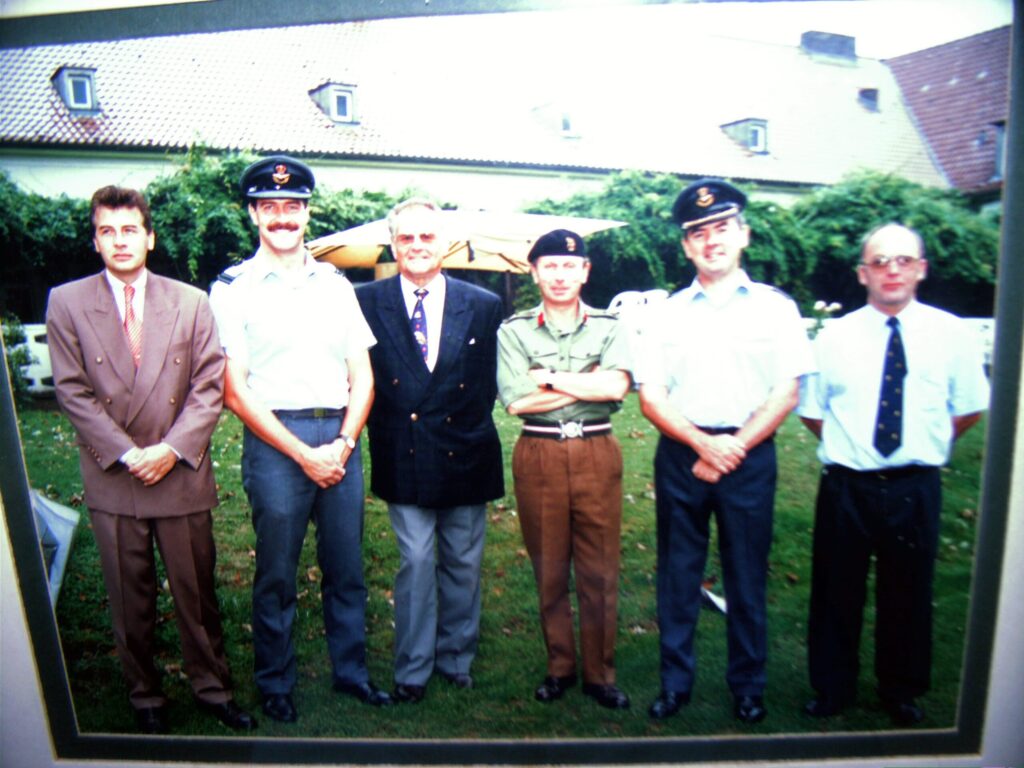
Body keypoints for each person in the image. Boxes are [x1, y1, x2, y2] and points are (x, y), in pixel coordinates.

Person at [45, 185, 255, 734]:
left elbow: (210, 386)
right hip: (116, 474)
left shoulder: (191, 302)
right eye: (108, 231)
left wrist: (170, 449)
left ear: (150, 236)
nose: (120, 241)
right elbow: (72, 391)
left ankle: (212, 688)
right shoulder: (66, 303)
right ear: (95, 240)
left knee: (196, 594)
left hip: (178, 469)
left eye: (130, 229)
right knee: (128, 596)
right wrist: (126, 453)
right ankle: (145, 696)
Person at [209, 155, 389, 723]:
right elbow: (234, 392)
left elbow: (362, 375)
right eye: (270, 207)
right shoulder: (231, 288)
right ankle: (276, 682)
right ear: (253, 214)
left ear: (307, 213)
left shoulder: (336, 284)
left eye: (293, 207)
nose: (282, 217)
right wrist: (303, 453)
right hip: (275, 441)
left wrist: (342, 443)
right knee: (277, 574)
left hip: (339, 436)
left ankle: (352, 673)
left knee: (347, 569)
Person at [633, 178, 814, 723]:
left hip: (749, 457)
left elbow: (788, 390)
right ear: (686, 246)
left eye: (722, 228)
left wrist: (733, 446)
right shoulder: (663, 313)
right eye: (699, 233)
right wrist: (702, 443)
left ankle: (748, 686)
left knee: (746, 575)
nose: (711, 240)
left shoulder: (776, 309)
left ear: (744, 235)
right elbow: (651, 395)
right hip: (683, 456)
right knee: (678, 575)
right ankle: (675, 683)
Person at [797, 222, 989, 725]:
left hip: (915, 486)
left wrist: (921, 448)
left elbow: (968, 408)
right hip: (846, 485)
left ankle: (901, 689)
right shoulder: (835, 336)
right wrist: (856, 450)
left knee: (909, 591)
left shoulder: (952, 334)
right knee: (836, 591)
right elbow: (813, 411)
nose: (892, 270)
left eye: (904, 260)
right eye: (880, 261)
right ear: (863, 274)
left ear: (921, 268)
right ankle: (832, 687)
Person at [355, 198, 504, 704]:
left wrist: (461, 424)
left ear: (444, 244)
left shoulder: (482, 304)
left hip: (466, 447)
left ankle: (456, 658)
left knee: (463, 559)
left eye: (426, 237)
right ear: (393, 244)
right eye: (406, 238)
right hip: (404, 450)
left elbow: (486, 384)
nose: (416, 246)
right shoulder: (365, 300)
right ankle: (413, 668)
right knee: (416, 561)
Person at [496, 229, 633, 709]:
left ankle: (600, 673)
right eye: (549, 266)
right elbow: (516, 402)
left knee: (599, 568)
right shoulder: (513, 331)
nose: (559, 275)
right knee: (550, 567)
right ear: (534, 272)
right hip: (540, 453)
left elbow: (617, 387)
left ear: (585, 271)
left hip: (597, 451)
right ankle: (561, 667)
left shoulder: (610, 326)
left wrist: (551, 378)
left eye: (569, 266)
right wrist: (588, 382)